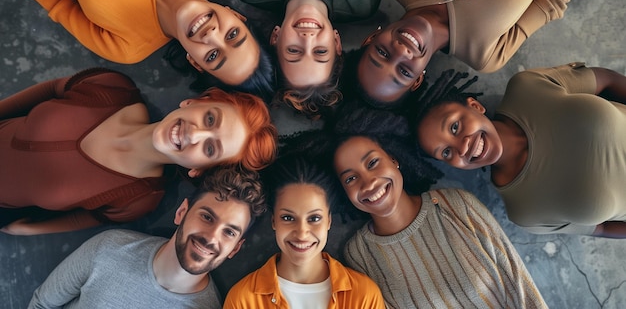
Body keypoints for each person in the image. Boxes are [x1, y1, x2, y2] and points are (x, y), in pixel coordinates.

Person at [0, 68, 277, 235]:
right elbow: (52, 88)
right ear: (193, 102)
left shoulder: (140, 198)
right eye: (210, 119)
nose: (194, 133)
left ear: (198, 169)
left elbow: (88, 217)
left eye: (209, 148)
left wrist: (30, 229)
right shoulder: (111, 87)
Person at [350, 0, 613, 106]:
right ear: (418, 79)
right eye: (404, 71)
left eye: (382, 53)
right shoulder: (487, 54)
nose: (401, 52)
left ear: (372, 37)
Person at [0, 0, 274, 96]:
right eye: (233, 34)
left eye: (213, 56)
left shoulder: (125, 47)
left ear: (196, 63)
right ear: (237, 15)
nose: (213, 36)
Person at [333, 134, 548, 308]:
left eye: (372, 163)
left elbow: (518, 282)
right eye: (350, 178)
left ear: (393, 160)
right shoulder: (359, 253)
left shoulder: (456, 204)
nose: (368, 182)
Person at [415, 63, 626, 238]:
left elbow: (607, 79)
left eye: (454, 127)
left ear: (475, 107)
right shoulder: (524, 212)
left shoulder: (527, 87)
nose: (462, 147)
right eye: (446, 153)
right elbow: (603, 229)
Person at [28, 166, 266, 309]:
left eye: (229, 232)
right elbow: (41, 304)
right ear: (182, 212)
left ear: (235, 248)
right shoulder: (109, 248)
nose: (212, 237)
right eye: (207, 217)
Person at [229, 0, 384, 118]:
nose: (307, 38)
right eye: (320, 51)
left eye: (294, 50)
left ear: (275, 37)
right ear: (336, 41)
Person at [223, 154, 386, 308]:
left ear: (329, 220)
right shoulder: (242, 300)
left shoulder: (364, 296)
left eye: (314, 218)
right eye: (288, 218)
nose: (301, 234)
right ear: (274, 221)